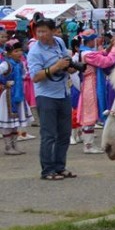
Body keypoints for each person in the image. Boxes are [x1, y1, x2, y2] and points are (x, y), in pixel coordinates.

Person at [26, 17, 78, 180]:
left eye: (44, 31)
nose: (40, 35)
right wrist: (56, 67)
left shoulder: (59, 42)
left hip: (63, 92)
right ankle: (47, 170)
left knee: (64, 133)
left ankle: (59, 167)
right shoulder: (35, 51)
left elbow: (65, 60)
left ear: (53, 31)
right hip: (46, 95)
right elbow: (35, 77)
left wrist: (69, 68)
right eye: (38, 31)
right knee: (49, 135)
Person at [74, 29, 115, 153]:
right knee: (90, 112)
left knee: (90, 111)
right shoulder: (87, 54)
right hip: (91, 83)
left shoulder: (86, 52)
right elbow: (106, 61)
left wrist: (110, 47)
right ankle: (88, 145)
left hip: (91, 82)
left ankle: (88, 143)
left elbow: (102, 54)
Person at [1, 39, 34, 155]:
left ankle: (15, 145)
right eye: (16, 51)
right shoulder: (5, 64)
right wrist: (5, 84)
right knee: (8, 121)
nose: (19, 53)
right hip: (8, 95)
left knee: (15, 123)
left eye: (20, 50)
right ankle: (8, 146)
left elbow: (25, 74)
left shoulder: (20, 64)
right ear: (9, 53)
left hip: (18, 94)